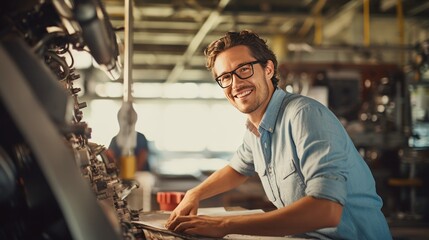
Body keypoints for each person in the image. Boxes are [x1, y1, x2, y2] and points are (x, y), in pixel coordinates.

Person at [165, 30, 392, 239]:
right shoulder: (257, 128)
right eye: (225, 77)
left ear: (269, 69)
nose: (235, 83)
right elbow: (237, 169)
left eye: (244, 69)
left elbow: (327, 210)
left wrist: (224, 225)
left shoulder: (304, 115)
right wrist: (194, 194)